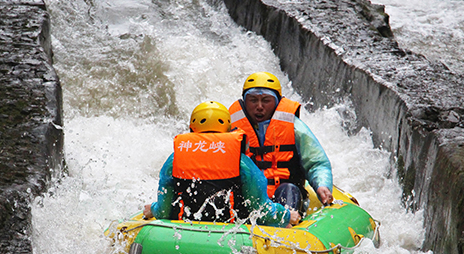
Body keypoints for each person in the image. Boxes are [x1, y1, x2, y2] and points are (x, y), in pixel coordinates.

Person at [143, 100, 300, 227]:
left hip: (184, 231)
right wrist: (286, 216)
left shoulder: (174, 160)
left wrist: (153, 209)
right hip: (231, 233)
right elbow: (260, 210)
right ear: (228, 129)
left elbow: (164, 212)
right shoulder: (242, 162)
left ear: (192, 128)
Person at [228, 72, 334, 213]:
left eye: (266, 100)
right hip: (249, 198)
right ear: (244, 102)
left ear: (277, 102)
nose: (259, 106)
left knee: (289, 190)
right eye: (253, 100)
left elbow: (316, 163)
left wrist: (322, 184)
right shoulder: (231, 129)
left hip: (285, 197)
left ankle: (287, 223)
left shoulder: (295, 127)